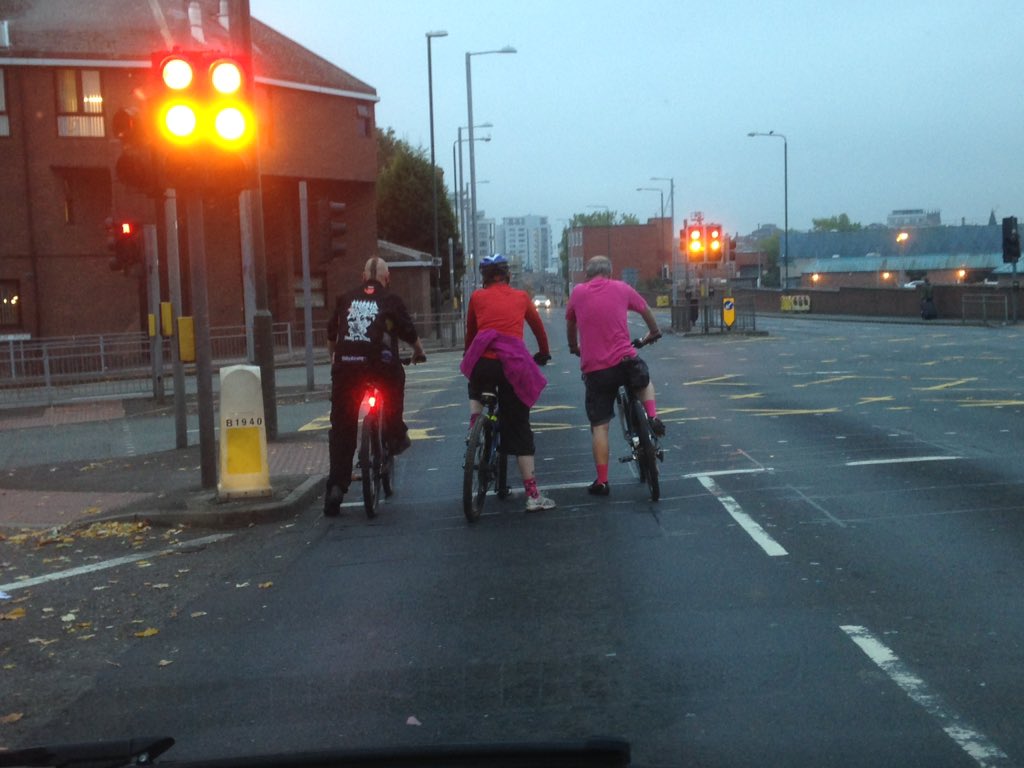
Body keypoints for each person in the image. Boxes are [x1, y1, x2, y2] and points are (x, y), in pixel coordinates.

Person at [323, 257, 426, 516]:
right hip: (379, 365)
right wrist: (418, 352)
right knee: (395, 383)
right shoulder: (391, 300)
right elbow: (409, 333)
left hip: (347, 367)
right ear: (386, 278)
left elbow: (331, 334)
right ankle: (394, 433)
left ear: (362, 277)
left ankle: (336, 486)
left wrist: (334, 358)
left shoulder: (345, 298)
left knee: (342, 426)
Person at [460, 254, 556, 512]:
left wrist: (470, 354)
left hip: (484, 363)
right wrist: (544, 352)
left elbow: (471, 335)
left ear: (484, 277)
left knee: (476, 379)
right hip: (512, 364)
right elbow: (538, 329)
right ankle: (533, 495)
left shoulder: (477, 298)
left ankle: (474, 426)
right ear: (507, 275)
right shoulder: (521, 297)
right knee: (520, 427)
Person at [565, 255, 664, 497]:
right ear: (609, 272)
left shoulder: (578, 293)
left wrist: (573, 346)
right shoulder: (621, 288)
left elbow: (570, 323)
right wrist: (654, 332)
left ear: (588, 274)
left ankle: (602, 481)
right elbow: (645, 309)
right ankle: (652, 416)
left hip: (596, 370)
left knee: (599, 426)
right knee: (644, 382)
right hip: (625, 360)